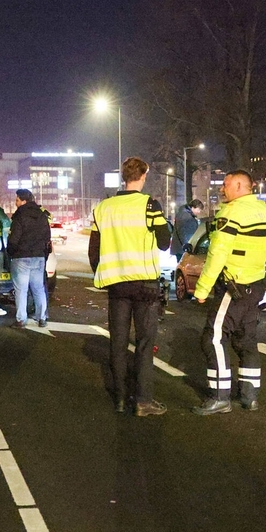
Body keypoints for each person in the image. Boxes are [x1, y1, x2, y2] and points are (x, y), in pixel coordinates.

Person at [89, 157, 171, 416]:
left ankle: (120, 398)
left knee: (118, 342)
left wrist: (104, 271)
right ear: (143, 176)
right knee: (144, 344)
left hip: (117, 286)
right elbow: (165, 242)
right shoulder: (149, 205)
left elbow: (94, 251)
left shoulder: (103, 208)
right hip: (145, 285)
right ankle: (143, 401)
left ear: (123, 177)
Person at [191, 170, 266, 415]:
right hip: (255, 285)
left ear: (239, 185)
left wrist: (202, 289)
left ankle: (220, 396)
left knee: (213, 338)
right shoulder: (264, 210)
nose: (222, 189)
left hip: (233, 286)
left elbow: (218, 254)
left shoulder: (231, 212)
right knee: (246, 340)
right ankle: (250, 397)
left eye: (226, 184)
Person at [7, 188, 52, 329]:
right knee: (38, 288)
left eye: (17, 200)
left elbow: (14, 239)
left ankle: (21, 319)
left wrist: (11, 252)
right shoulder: (42, 215)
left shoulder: (19, 216)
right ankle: (42, 317)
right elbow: (47, 237)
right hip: (38, 256)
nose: (15, 203)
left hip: (21, 257)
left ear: (24, 201)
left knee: (21, 290)